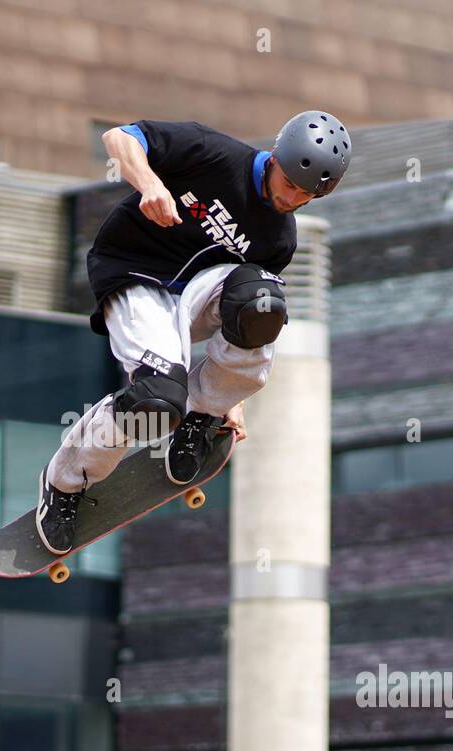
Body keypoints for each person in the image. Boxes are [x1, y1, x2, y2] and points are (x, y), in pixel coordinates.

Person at [36, 110, 352, 555]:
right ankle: (64, 484)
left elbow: (247, 326)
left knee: (262, 299)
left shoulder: (280, 238)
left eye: (306, 196)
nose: (292, 200)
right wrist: (149, 184)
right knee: (154, 402)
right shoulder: (212, 152)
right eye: (290, 185)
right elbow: (120, 138)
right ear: (277, 158)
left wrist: (230, 399)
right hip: (136, 275)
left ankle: (202, 416)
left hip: (197, 295)